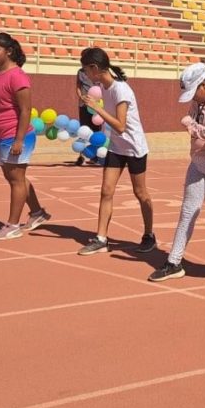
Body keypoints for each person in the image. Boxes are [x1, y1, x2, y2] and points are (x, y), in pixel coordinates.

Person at [149, 63, 205, 282]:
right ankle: (174, 261)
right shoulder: (197, 103)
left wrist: (193, 126)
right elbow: (195, 123)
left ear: (204, 86)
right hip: (198, 162)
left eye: (194, 92)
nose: (193, 98)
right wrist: (193, 124)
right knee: (187, 211)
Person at [76, 48, 156, 255]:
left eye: (85, 69)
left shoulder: (121, 90)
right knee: (106, 191)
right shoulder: (103, 86)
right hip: (117, 147)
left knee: (140, 193)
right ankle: (101, 238)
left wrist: (97, 108)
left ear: (94, 68)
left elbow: (120, 125)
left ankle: (149, 234)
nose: (84, 74)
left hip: (134, 147)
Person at [0, 33, 51, 241]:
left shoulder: (18, 76)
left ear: (9, 51)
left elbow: (25, 110)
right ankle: (38, 213)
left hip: (17, 134)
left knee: (16, 180)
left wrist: (19, 140)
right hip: (1, 133)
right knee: (16, 178)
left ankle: (13, 225)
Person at [75, 61, 102, 166]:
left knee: (95, 129)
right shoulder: (80, 72)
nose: (82, 63)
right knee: (83, 130)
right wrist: (81, 96)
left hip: (95, 106)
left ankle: (96, 156)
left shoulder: (96, 71)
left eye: (84, 60)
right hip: (83, 104)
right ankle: (81, 156)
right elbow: (78, 86)